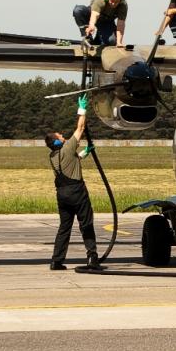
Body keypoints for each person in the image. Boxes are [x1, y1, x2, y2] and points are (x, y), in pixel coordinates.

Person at [45, 95, 102, 271]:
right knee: (86, 224)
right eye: (60, 136)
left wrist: (85, 152)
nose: (63, 136)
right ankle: (92, 257)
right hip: (77, 192)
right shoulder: (67, 147)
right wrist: (82, 109)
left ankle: (56, 260)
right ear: (57, 141)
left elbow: (73, 161)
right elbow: (81, 127)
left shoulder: (53, 156)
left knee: (64, 227)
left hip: (62, 195)